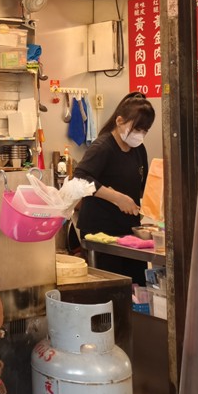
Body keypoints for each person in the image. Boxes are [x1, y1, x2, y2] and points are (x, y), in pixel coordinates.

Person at [73, 92, 156, 284]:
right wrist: (117, 198)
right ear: (119, 121)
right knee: (112, 288)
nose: (140, 135)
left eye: (145, 131)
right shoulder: (102, 147)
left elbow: (143, 184)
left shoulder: (138, 149)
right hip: (101, 233)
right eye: (137, 129)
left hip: (129, 231)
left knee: (137, 287)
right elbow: (80, 178)